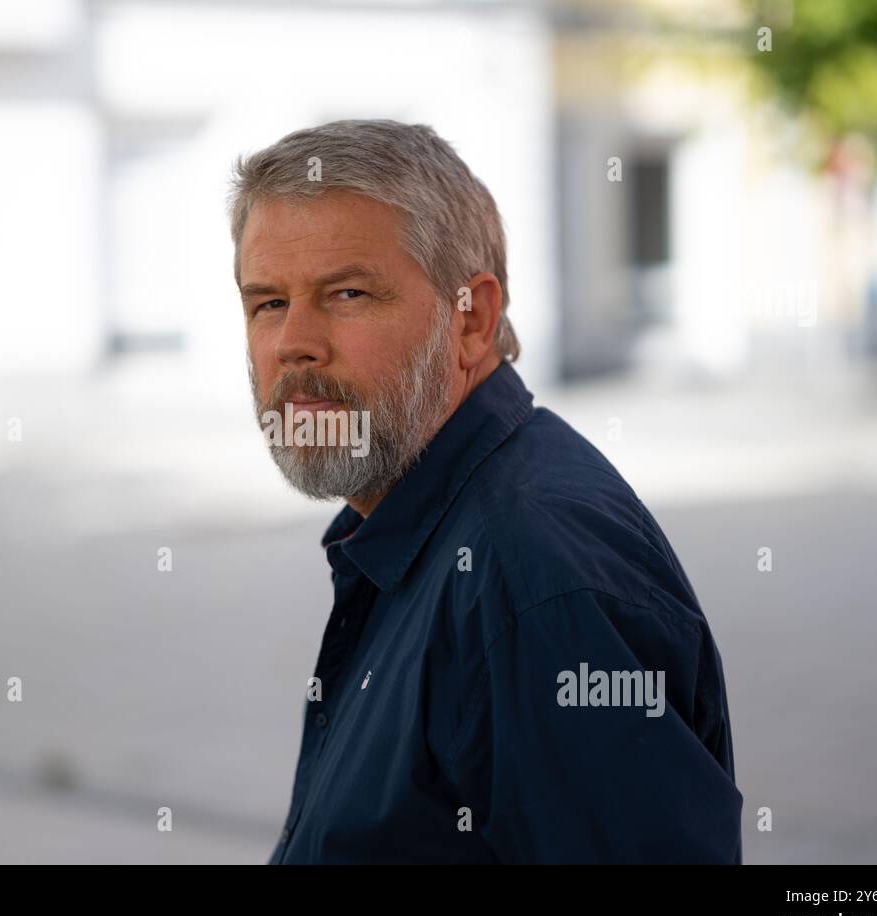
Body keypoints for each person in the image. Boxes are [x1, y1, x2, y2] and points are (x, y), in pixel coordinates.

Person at [230, 119, 742, 863]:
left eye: (346, 293)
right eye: (267, 302)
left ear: (472, 320)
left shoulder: (532, 572)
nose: (293, 341)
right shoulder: (416, 525)